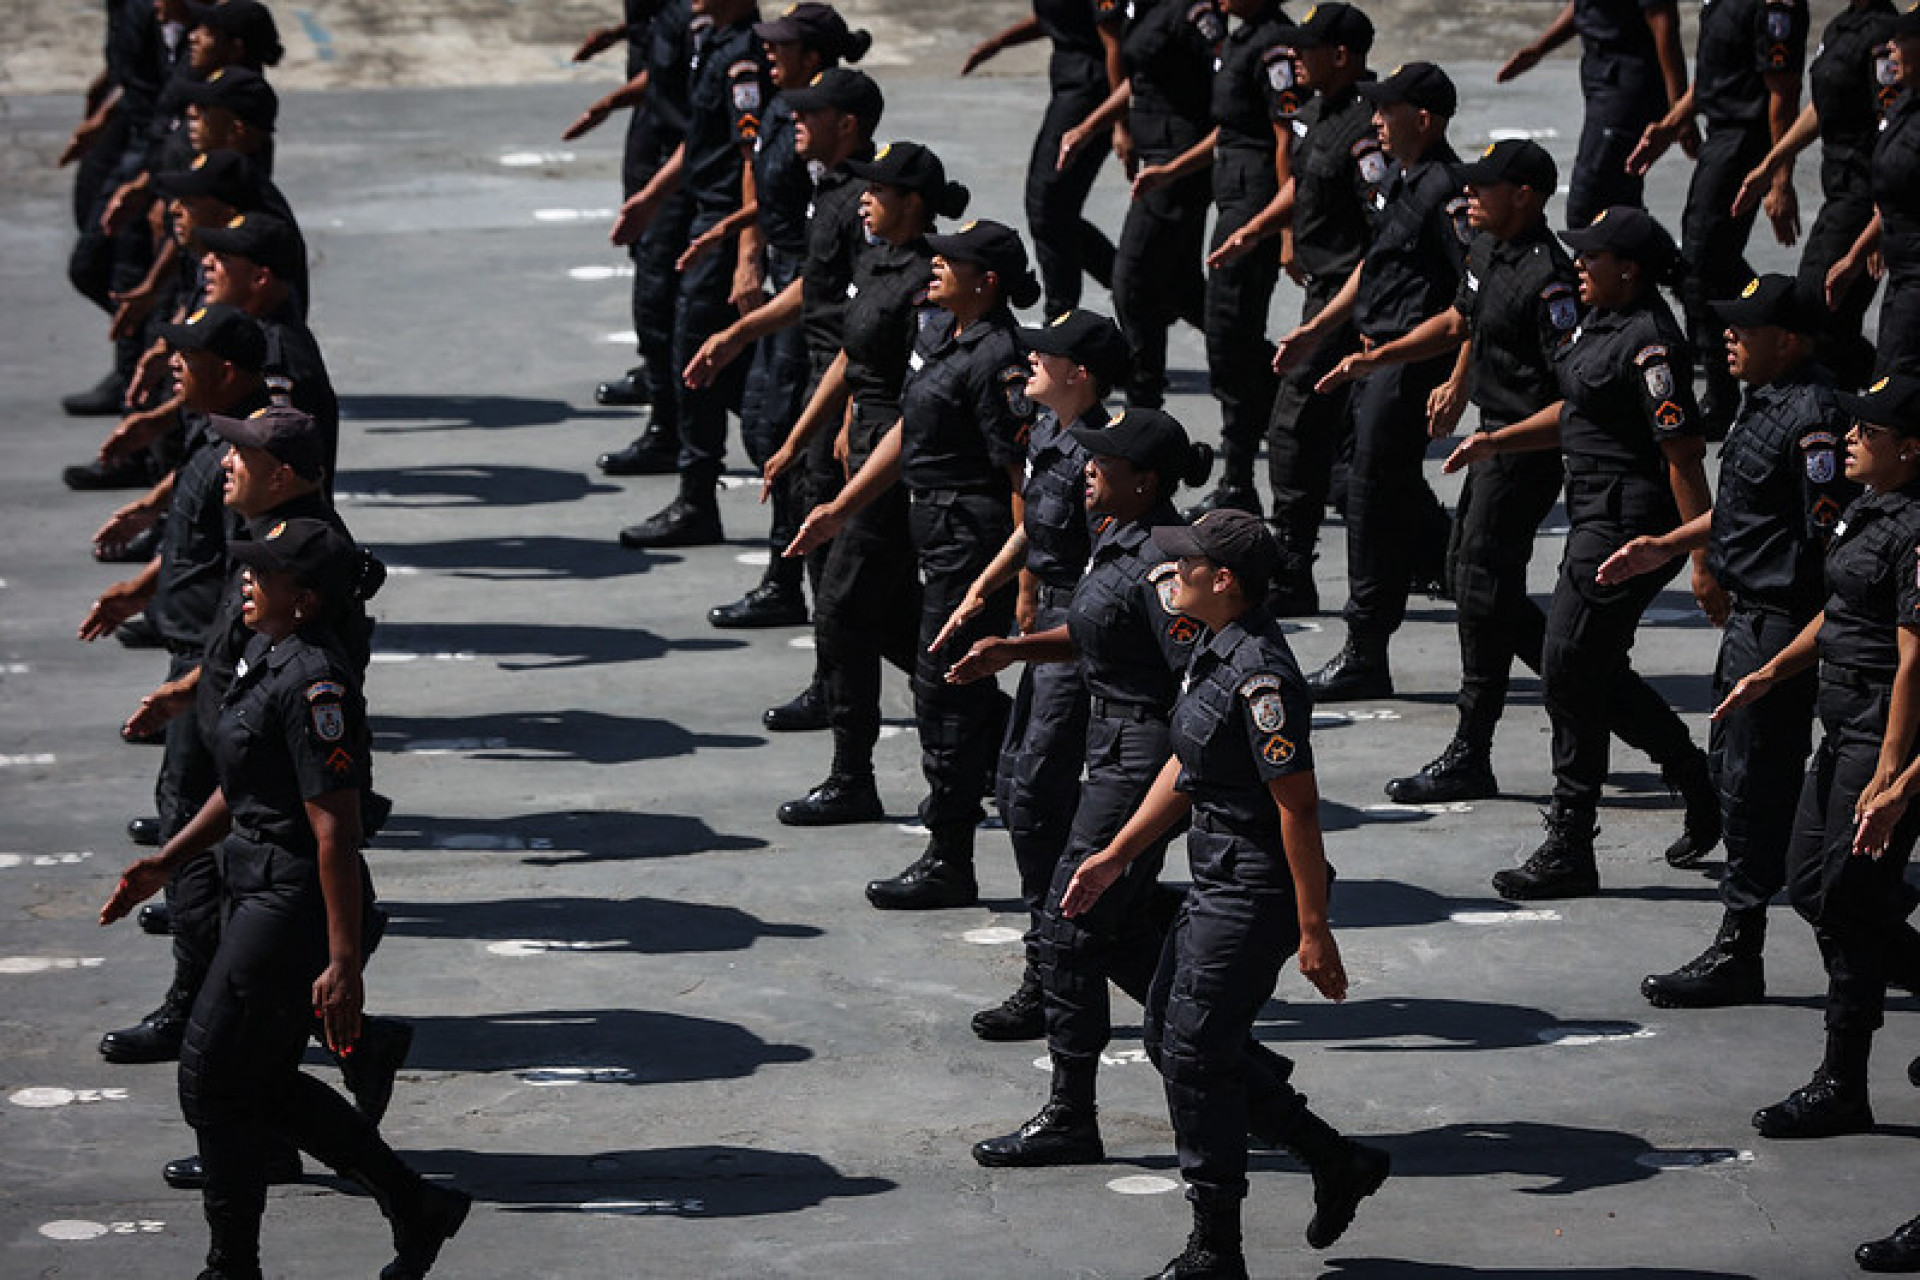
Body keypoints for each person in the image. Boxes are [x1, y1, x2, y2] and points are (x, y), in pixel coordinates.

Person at [99, 518, 469, 1280]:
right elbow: (244, 788)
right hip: (253, 880)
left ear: (302, 599)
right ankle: (414, 1205)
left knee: (210, 1075)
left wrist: (344, 964)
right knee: (256, 1082)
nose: (245, 579)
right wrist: (168, 861)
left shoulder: (315, 683)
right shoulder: (263, 657)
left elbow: (336, 829)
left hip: (291, 899)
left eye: (262, 573)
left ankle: (233, 1265)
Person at [1058, 508, 1386, 1280]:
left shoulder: (1262, 677)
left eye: (1186, 567)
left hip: (1255, 888)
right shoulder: (1210, 646)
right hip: (1215, 876)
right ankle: (1334, 1158)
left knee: (1197, 1058)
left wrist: (1315, 931)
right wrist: (1115, 855)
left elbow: (1297, 807)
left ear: (1226, 580)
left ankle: (1217, 1249)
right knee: (1171, 1043)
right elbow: (1186, 766)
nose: (1171, 576)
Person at [951, 406, 1215, 1152]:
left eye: (1107, 460)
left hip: (1143, 756)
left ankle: (1073, 1115)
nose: (1089, 466)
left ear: (1147, 480)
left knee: (1071, 924)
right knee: (1118, 927)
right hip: (1113, 742)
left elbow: (1196, 675)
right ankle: (1233, 1064)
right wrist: (1016, 647)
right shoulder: (1119, 538)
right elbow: (1098, 632)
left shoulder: (1167, 561)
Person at [1444, 205, 1718, 899]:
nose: (1578, 267)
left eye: (1592, 258)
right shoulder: (1602, 323)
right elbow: (1576, 412)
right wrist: (1497, 439)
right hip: (1592, 511)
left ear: (1628, 269)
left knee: (1568, 663)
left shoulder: (1652, 344)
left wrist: (1699, 558)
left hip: (1630, 521)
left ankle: (1572, 839)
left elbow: (1683, 455)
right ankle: (1694, 777)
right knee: (1583, 665)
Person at [1600, 274, 1857, 1007]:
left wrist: (1787, 657)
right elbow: (1748, 514)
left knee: (1758, 784)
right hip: (1752, 618)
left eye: (1747, 328)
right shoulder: (1767, 404)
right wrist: (1668, 546)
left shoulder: (1814, 421)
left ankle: (1748, 948)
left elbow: (1831, 545)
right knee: (1739, 776)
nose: (1729, 339)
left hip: (1784, 624)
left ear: (1791, 340)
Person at [788, 219, 1041, 910]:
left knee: (945, 696)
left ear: (985, 282)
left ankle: (950, 856)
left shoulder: (1000, 360)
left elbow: (1020, 477)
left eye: (950, 262)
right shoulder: (939, 335)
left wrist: (1024, 578)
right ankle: (1002, 784)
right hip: (927, 524)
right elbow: (908, 430)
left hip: (970, 536)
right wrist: (842, 507)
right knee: (934, 678)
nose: (934, 267)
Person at [1316, 138, 1578, 799]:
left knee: (1481, 591)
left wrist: (1497, 440)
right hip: (1492, 442)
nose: (1469, 197)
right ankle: (1580, 679)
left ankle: (1481, 740)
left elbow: (1573, 397)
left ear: (1524, 195)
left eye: (1484, 187)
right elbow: (1460, 321)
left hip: (1523, 454)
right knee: (1473, 581)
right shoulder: (1489, 250)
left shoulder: (1551, 280)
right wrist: (1381, 358)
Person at [1710, 375, 1920, 1154]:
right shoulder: (1869, 510)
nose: (1854, 435)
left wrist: (1891, 772)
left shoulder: (1917, 531)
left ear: (1912, 450)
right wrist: (1771, 673)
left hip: (1879, 732)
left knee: (1851, 904)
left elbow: (1913, 660)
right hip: (1842, 723)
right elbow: (1840, 613)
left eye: (1873, 428)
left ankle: (1843, 1081)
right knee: (1811, 884)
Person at [934, 309, 1128, 1038]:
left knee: (1038, 799)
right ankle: (1058, 957)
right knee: (1018, 788)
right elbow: (1033, 526)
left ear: (1080, 374)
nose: (1031, 363)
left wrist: (1030, 642)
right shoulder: (1050, 432)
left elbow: (1109, 569)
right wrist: (984, 587)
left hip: (1078, 637)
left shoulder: (1104, 455)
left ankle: (1055, 970)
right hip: (1047, 615)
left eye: (1047, 356)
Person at [768, 141, 968, 825]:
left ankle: (853, 776)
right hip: (859, 439)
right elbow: (855, 358)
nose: (863, 199)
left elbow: (921, 394)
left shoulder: (927, 280)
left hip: (898, 458)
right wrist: (800, 439)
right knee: (889, 616)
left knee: (842, 608)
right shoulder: (876, 258)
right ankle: (990, 729)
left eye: (877, 191)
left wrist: (852, 483)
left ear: (912, 202)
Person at [1273, 60, 1467, 701]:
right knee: (1370, 485)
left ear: (1425, 119)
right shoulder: (1403, 183)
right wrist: (1318, 329)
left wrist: (1456, 377)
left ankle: (1365, 648)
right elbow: (1373, 266)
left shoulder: (1448, 191)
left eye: (1387, 110)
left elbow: (1475, 298)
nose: (1376, 119)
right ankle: (1455, 565)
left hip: (1406, 368)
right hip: (1373, 360)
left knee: (1369, 500)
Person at [702, 3, 872, 629]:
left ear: (815, 57)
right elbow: (758, 176)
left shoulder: (829, 137)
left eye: (783, 46)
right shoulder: (784, 111)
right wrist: (744, 248)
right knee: (761, 428)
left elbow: (825, 237)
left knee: (787, 439)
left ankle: (788, 578)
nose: (768, 52)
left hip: (813, 301)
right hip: (782, 281)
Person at [1233, 1, 1387, 614]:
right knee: (1329, 436)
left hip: (1358, 298)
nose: (1295, 57)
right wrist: (1260, 229)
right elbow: (1304, 182)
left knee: (1299, 428)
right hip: (1324, 292)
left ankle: (1292, 568)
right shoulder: (1319, 112)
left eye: (1308, 49)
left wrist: (1327, 321)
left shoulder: (1367, 129)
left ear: (1342, 56)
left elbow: (1383, 238)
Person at [610, 0, 772, 548]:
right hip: (702, 211)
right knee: (709, 363)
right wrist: (652, 197)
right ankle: (718, 480)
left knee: (700, 361)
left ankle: (700, 497)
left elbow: (751, 155)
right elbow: (700, 139)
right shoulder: (715, 41)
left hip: (724, 220)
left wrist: (748, 252)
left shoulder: (745, 55)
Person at [1140, 0, 1296, 517]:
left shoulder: (1275, 44)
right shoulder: (1243, 36)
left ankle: (1243, 476)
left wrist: (1282, 231)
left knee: (1232, 335)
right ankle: (1249, 469)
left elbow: (1284, 142)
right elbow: (1229, 129)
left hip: (1253, 203)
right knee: (1229, 337)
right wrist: (1175, 169)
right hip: (1233, 195)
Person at [1627, 0, 1811, 436]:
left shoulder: (1772, 6)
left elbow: (1782, 94)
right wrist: (1670, 126)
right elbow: (1712, 80)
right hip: (1719, 138)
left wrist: (1778, 177)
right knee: (1715, 264)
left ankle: (1722, 397)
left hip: (1745, 143)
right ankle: (1784, 336)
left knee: (1702, 268)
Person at [1731, 0, 1899, 391]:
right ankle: (1872, 407)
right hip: (1839, 193)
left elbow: (1891, 127)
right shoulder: (1843, 27)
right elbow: (1823, 107)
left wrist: (1881, 218)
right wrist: (1772, 165)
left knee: (1816, 313)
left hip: (1863, 194)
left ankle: (1874, 412)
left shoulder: (1883, 33)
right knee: (1827, 320)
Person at [1068, 0, 1219, 411]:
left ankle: (1143, 402)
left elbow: (1233, 89)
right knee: (1180, 288)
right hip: (1159, 157)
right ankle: (1261, 371)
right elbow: (1143, 80)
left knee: (1133, 285)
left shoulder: (1192, 14)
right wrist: (1090, 127)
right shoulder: (1143, 7)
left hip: (1179, 163)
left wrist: (1173, 168)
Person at [961, 2, 1122, 317]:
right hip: (1071, 85)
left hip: (1095, 91)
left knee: (1049, 204)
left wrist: (1120, 124)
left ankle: (1062, 314)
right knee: (1052, 208)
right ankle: (1136, 284)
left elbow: (1114, 43)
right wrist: (999, 43)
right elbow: (1058, 14)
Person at [562, 0, 676, 408]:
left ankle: (668, 377)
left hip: (669, 116)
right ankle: (660, 367)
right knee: (643, 247)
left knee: (660, 256)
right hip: (651, 112)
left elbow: (681, 64)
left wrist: (605, 105)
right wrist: (619, 33)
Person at [1495, 0, 1689, 230]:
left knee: (1588, 207)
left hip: (1627, 86)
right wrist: (1540, 48)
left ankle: (1652, 261)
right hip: (1601, 78)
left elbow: (1663, 21)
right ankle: (1640, 262)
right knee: (1620, 201)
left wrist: (1680, 112)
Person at [1828, 8, 1920, 377]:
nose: (1890, 48)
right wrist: (1855, 257)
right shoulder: (1905, 105)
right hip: (1901, 274)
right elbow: (1895, 196)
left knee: (1896, 386)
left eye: (1901, 40)